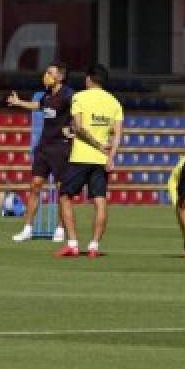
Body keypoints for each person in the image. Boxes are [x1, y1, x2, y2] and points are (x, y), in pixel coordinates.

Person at [54, 65, 123, 258]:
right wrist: (111, 157)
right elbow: (117, 135)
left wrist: (98, 145)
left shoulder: (79, 97)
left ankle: (73, 243)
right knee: (100, 201)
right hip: (101, 161)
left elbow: (79, 127)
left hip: (81, 157)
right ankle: (94, 246)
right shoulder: (114, 102)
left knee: (65, 197)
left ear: (89, 79)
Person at [7, 62, 73, 243]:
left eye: (50, 73)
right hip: (43, 147)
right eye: (46, 72)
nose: (46, 75)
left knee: (62, 190)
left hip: (61, 147)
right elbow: (37, 106)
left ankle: (60, 229)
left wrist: (73, 129)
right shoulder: (46, 96)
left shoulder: (68, 95)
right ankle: (27, 228)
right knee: (35, 186)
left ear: (60, 76)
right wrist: (19, 102)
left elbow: (77, 114)